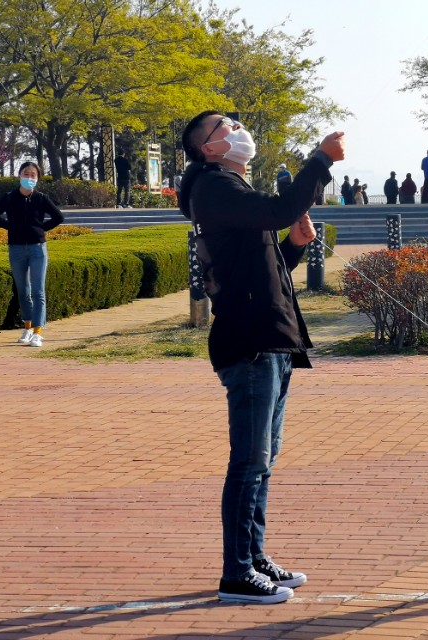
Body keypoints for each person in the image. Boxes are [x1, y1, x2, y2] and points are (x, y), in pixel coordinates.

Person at [177, 110, 345, 604]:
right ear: (207, 148)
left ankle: (253, 556)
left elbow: (261, 269)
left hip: (269, 337)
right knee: (249, 462)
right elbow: (278, 209)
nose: (235, 130)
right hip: (248, 342)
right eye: (223, 128)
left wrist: (292, 248)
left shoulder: (230, 189)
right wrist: (318, 161)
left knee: (263, 461)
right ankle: (235, 572)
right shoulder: (212, 186)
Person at [0, 161, 63, 348]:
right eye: (26, 174)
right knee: (23, 291)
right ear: (19, 175)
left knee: (38, 291)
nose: (29, 178)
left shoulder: (41, 198)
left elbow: (58, 217)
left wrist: (41, 229)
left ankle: (38, 331)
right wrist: (10, 226)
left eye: (33, 175)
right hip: (17, 248)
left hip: (38, 248)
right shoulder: (9, 197)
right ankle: (28, 327)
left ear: (37, 178)